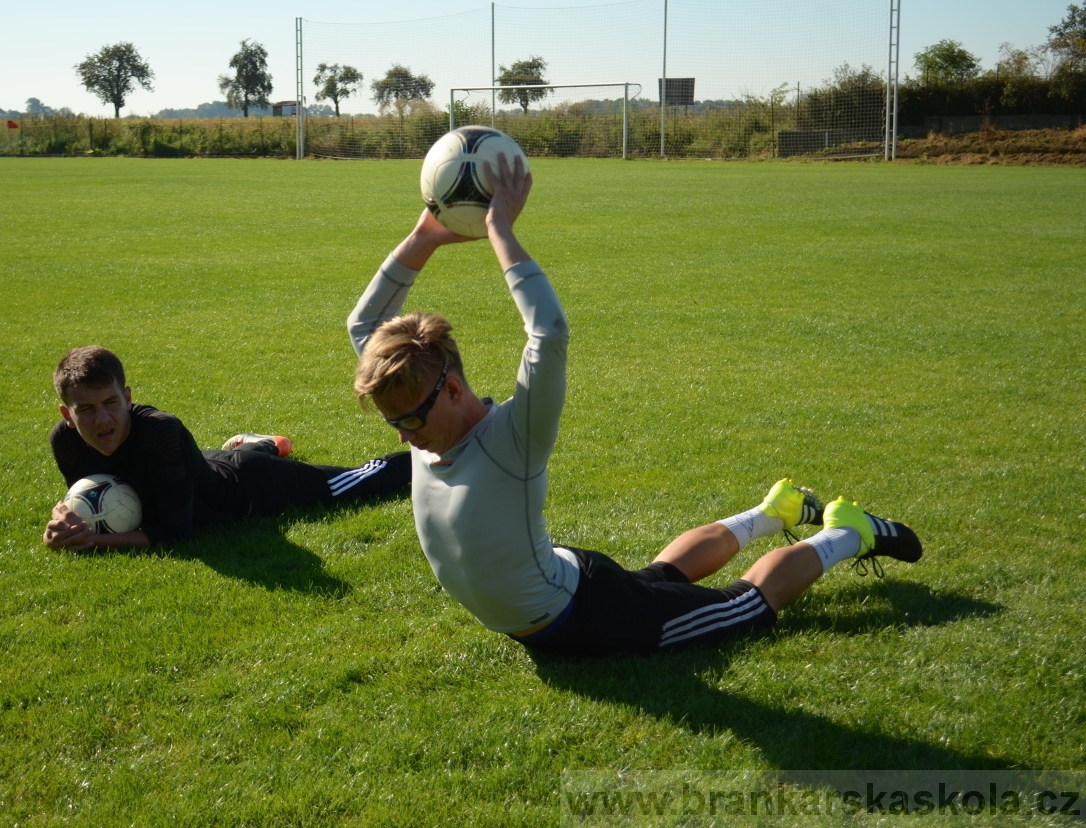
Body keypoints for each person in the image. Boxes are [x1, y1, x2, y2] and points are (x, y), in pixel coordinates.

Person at [346, 153, 922, 656]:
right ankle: (777, 512)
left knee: (742, 607)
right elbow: (364, 324)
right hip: (568, 584)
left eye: (409, 420)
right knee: (660, 576)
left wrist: (500, 229)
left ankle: (846, 532)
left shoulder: (513, 439)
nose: (402, 437)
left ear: (450, 389)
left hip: (588, 618)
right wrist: (424, 236)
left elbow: (548, 332)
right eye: (393, 422)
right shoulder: (421, 416)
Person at [43, 345, 410, 552]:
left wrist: (93, 543)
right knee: (196, 469)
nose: (102, 419)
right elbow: (88, 499)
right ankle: (266, 444)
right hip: (198, 466)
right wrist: (64, 524)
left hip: (248, 486)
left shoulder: (161, 432)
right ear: (67, 414)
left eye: (110, 403)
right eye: (86, 410)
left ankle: (432, 456)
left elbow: (175, 534)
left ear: (127, 397)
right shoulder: (65, 440)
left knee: (357, 482)